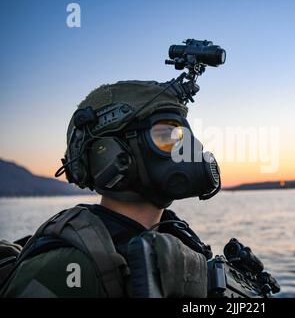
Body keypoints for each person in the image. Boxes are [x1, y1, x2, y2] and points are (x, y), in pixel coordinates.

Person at [0, 80, 221, 297]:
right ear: (109, 155)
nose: (189, 150)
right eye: (165, 137)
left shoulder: (177, 240)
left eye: (182, 137)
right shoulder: (66, 266)